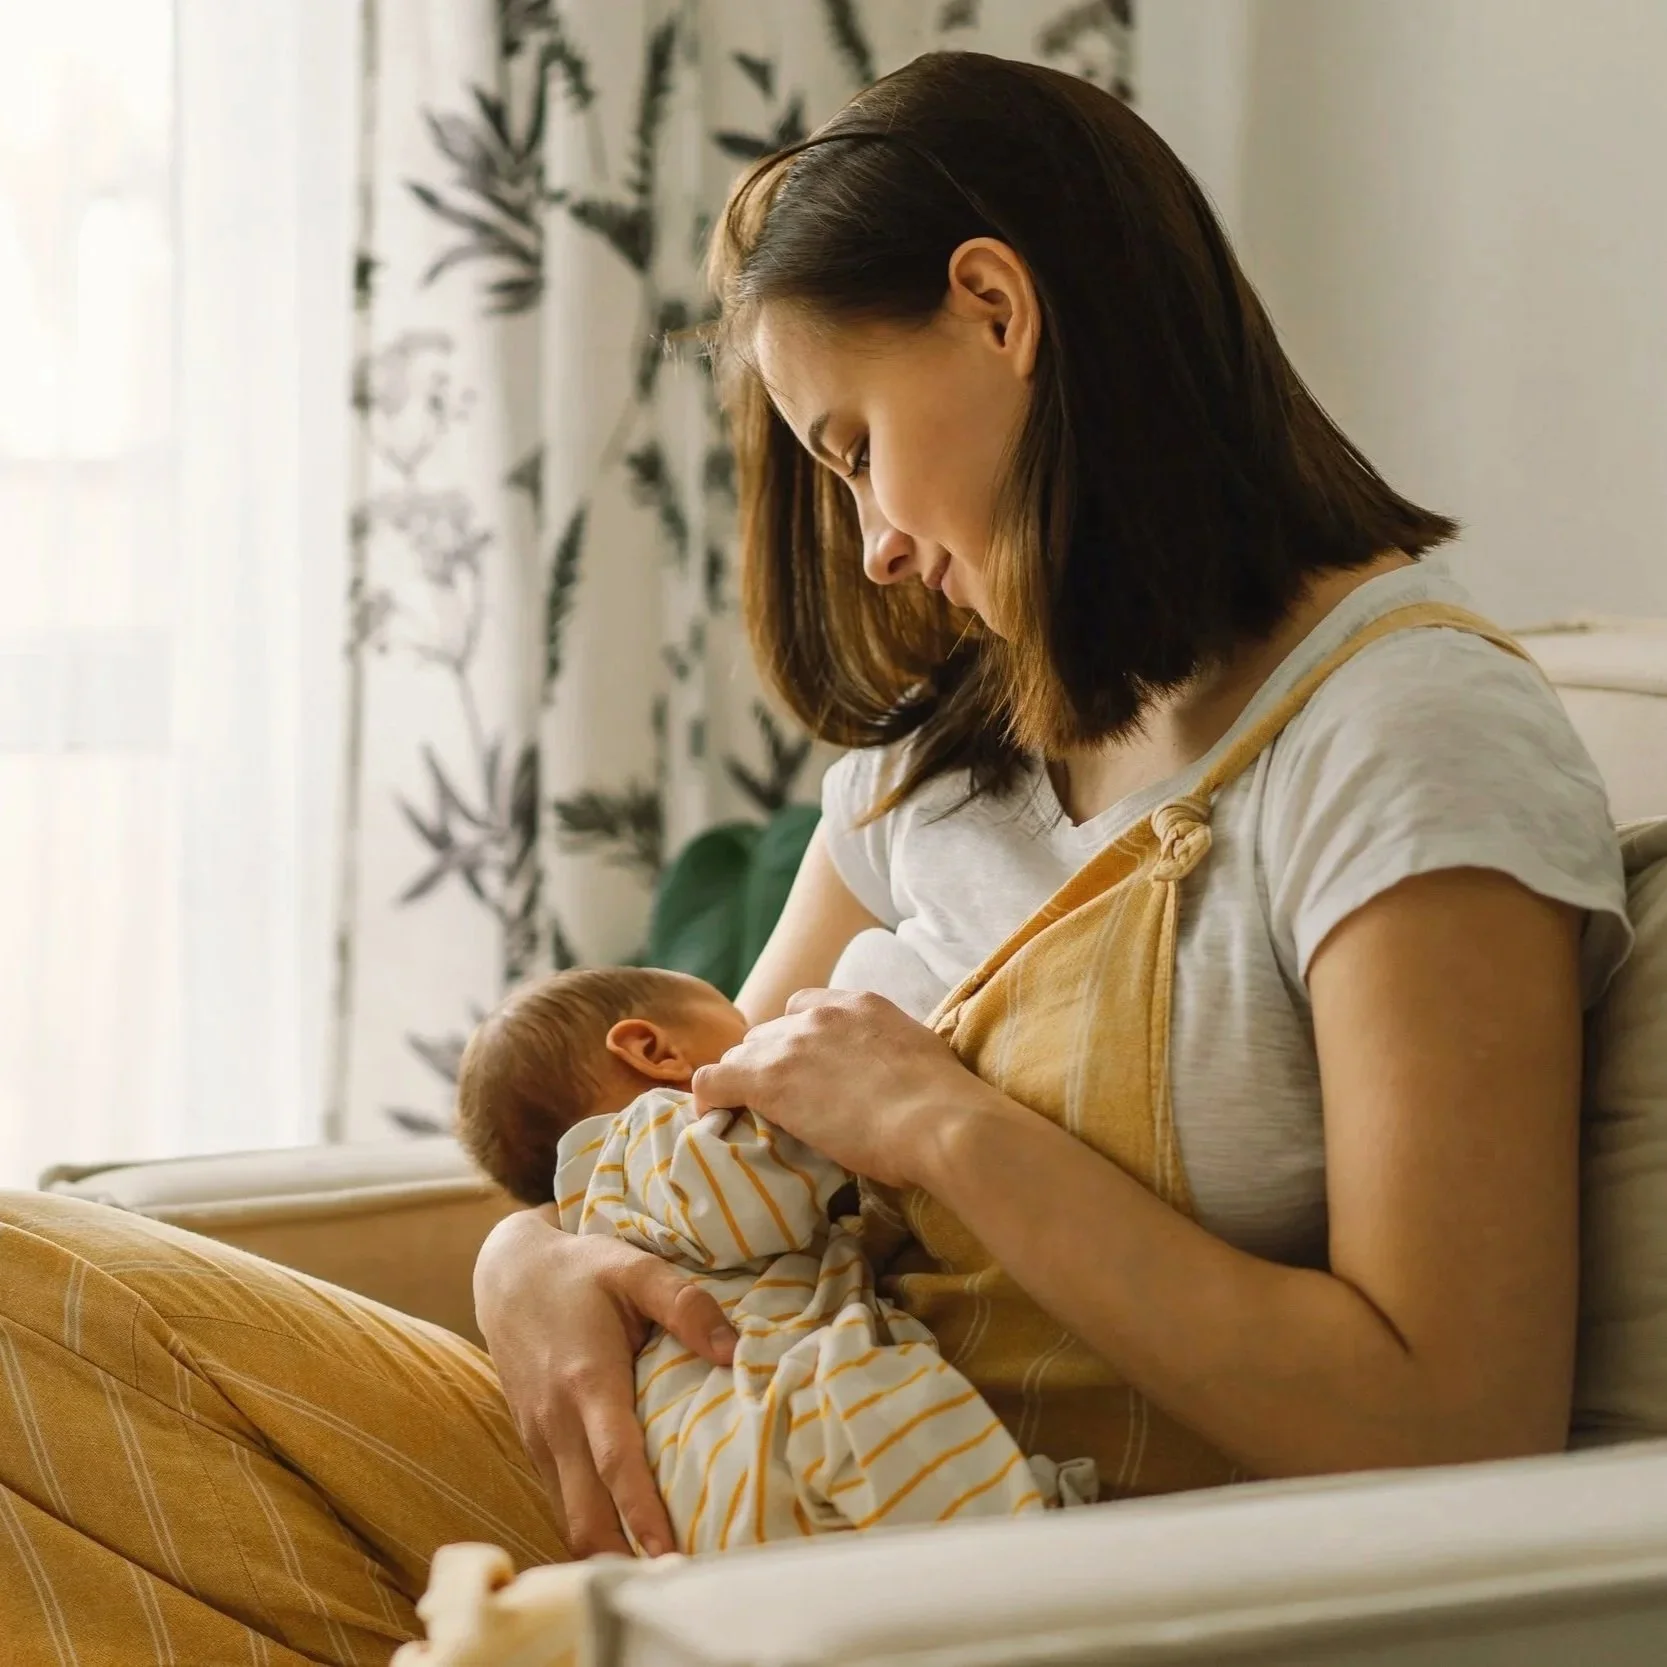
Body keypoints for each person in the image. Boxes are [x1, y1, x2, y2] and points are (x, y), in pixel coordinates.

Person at [0, 48, 1630, 1665]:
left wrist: (946, 1123)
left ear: (997, 308)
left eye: (851, 444)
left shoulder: (1399, 737)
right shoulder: (938, 750)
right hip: (720, 1494)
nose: (873, 547)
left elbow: (1450, 1422)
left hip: (985, 1569)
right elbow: (699, 1157)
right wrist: (531, 1254)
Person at [454, 966, 1084, 1552]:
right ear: (654, 1050)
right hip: (779, 1405)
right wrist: (846, 1100)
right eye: (749, 1030)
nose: (769, 1043)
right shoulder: (647, 1138)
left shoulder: (606, 1206)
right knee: (931, 1486)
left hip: (716, 1460)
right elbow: (745, 1197)